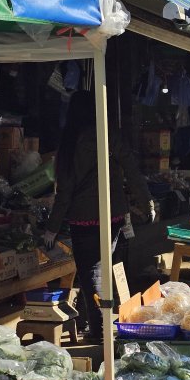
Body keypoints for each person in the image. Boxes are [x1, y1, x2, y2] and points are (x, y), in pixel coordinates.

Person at [45, 91, 154, 340]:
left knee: (91, 272)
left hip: (83, 217)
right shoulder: (109, 135)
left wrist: (52, 227)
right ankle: (92, 320)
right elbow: (133, 171)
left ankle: (99, 329)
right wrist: (146, 201)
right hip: (113, 214)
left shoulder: (71, 141)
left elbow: (65, 190)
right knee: (101, 268)